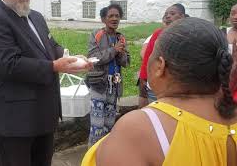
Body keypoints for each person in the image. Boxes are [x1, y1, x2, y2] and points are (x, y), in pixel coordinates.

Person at [82, 17, 237, 166]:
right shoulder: (230, 116)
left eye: (152, 53)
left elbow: (125, 61)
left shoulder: (138, 129)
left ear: (160, 66)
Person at [0, 0, 92, 166]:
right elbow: (9, 64)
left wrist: (71, 59)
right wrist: (53, 66)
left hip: (43, 114)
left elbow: (51, 47)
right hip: (14, 120)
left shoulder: (35, 16)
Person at [85, 4, 130, 147]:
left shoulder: (121, 38)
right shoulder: (97, 35)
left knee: (109, 124)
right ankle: (92, 156)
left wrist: (121, 52)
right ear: (104, 19)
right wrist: (114, 50)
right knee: (97, 125)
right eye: (111, 16)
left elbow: (126, 63)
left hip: (114, 86)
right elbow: (94, 59)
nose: (115, 18)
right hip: (99, 85)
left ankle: (105, 153)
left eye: (117, 16)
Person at [138, 3, 186, 107]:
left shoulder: (188, 37)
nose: (168, 16)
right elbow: (147, 60)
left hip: (178, 91)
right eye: (166, 14)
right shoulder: (157, 34)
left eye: (172, 13)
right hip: (155, 88)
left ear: (182, 17)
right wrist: (143, 82)